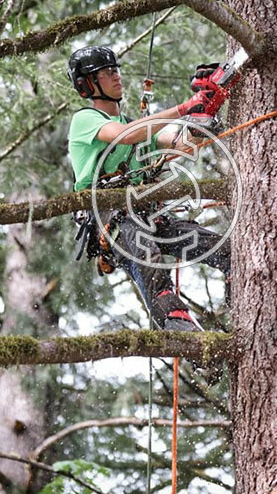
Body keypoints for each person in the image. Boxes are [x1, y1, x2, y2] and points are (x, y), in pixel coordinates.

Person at [67, 46, 230, 332]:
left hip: (149, 214)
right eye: (106, 73)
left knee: (220, 248)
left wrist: (203, 115)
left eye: (115, 70)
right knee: (147, 258)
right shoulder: (86, 120)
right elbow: (123, 136)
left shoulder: (137, 127)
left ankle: (239, 288)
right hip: (112, 218)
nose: (116, 77)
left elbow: (181, 144)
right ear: (87, 85)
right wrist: (183, 109)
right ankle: (177, 326)